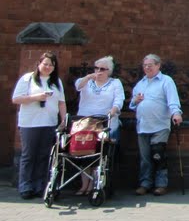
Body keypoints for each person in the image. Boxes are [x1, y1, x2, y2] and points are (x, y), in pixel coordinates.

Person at [11, 51, 67, 200]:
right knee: (29, 155)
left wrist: (63, 120)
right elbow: (16, 99)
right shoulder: (28, 79)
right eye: (45, 64)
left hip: (49, 122)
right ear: (39, 64)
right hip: (30, 123)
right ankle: (25, 186)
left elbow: (61, 102)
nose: (48, 67)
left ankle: (39, 185)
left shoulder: (56, 82)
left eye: (51, 65)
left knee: (44, 155)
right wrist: (36, 97)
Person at [128, 54, 182, 196]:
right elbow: (132, 106)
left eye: (150, 65)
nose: (147, 68)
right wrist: (135, 101)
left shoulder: (166, 81)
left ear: (158, 66)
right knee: (145, 158)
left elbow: (172, 100)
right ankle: (145, 183)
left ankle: (161, 184)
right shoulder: (141, 84)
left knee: (158, 155)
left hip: (160, 125)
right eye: (145, 65)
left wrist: (176, 113)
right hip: (143, 125)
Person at [73, 55, 125, 195]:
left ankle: (95, 183)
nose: (99, 71)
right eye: (96, 68)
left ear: (109, 71)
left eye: (102, 69)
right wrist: (88, 77)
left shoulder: (115, 83)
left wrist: (113, 110)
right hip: (85, 123)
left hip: (104, 123)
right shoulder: (87, 81)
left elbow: (119, 100)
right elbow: (78, 86)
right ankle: (84, 185)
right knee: (84, 153)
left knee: (100, 154)